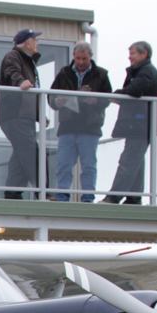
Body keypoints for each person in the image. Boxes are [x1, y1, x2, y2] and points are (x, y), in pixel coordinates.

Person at [48, 41, 112, 201]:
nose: (81, 62)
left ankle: (88, 197)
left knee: (88, 166)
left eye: (84, 58)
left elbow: (108, 99)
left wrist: (95, 101)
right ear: (73, 57)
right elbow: (50, 96)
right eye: (78, 58)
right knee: (63, 165)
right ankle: (62, 196)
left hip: (90, 128)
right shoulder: (64, 73)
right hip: (68, 127)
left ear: (90, 56)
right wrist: (57, 102)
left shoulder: (102, 75)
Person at [103, 41, 157, 204]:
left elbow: (137, 90)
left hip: (141, 125)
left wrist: (118, 94)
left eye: (133, 54)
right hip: (142, 125)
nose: (129, 57)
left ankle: (114, 197)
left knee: (129, 160)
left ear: (144, 54)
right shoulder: (144, 71)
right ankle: (134, 198)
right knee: (136, 161)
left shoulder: (145, 71)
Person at [0, 29, 43, 198]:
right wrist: (20, 81)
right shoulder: (13, 56)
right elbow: (12, 72)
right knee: (31, 151)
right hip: (15, 114)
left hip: (24, 115)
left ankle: (12, 193)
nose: (37, 43)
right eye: (35, 39)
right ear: (28, 42)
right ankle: (43, 191)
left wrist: (38, 115)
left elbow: (32, 93)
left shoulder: (28, 61)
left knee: (21, 153)